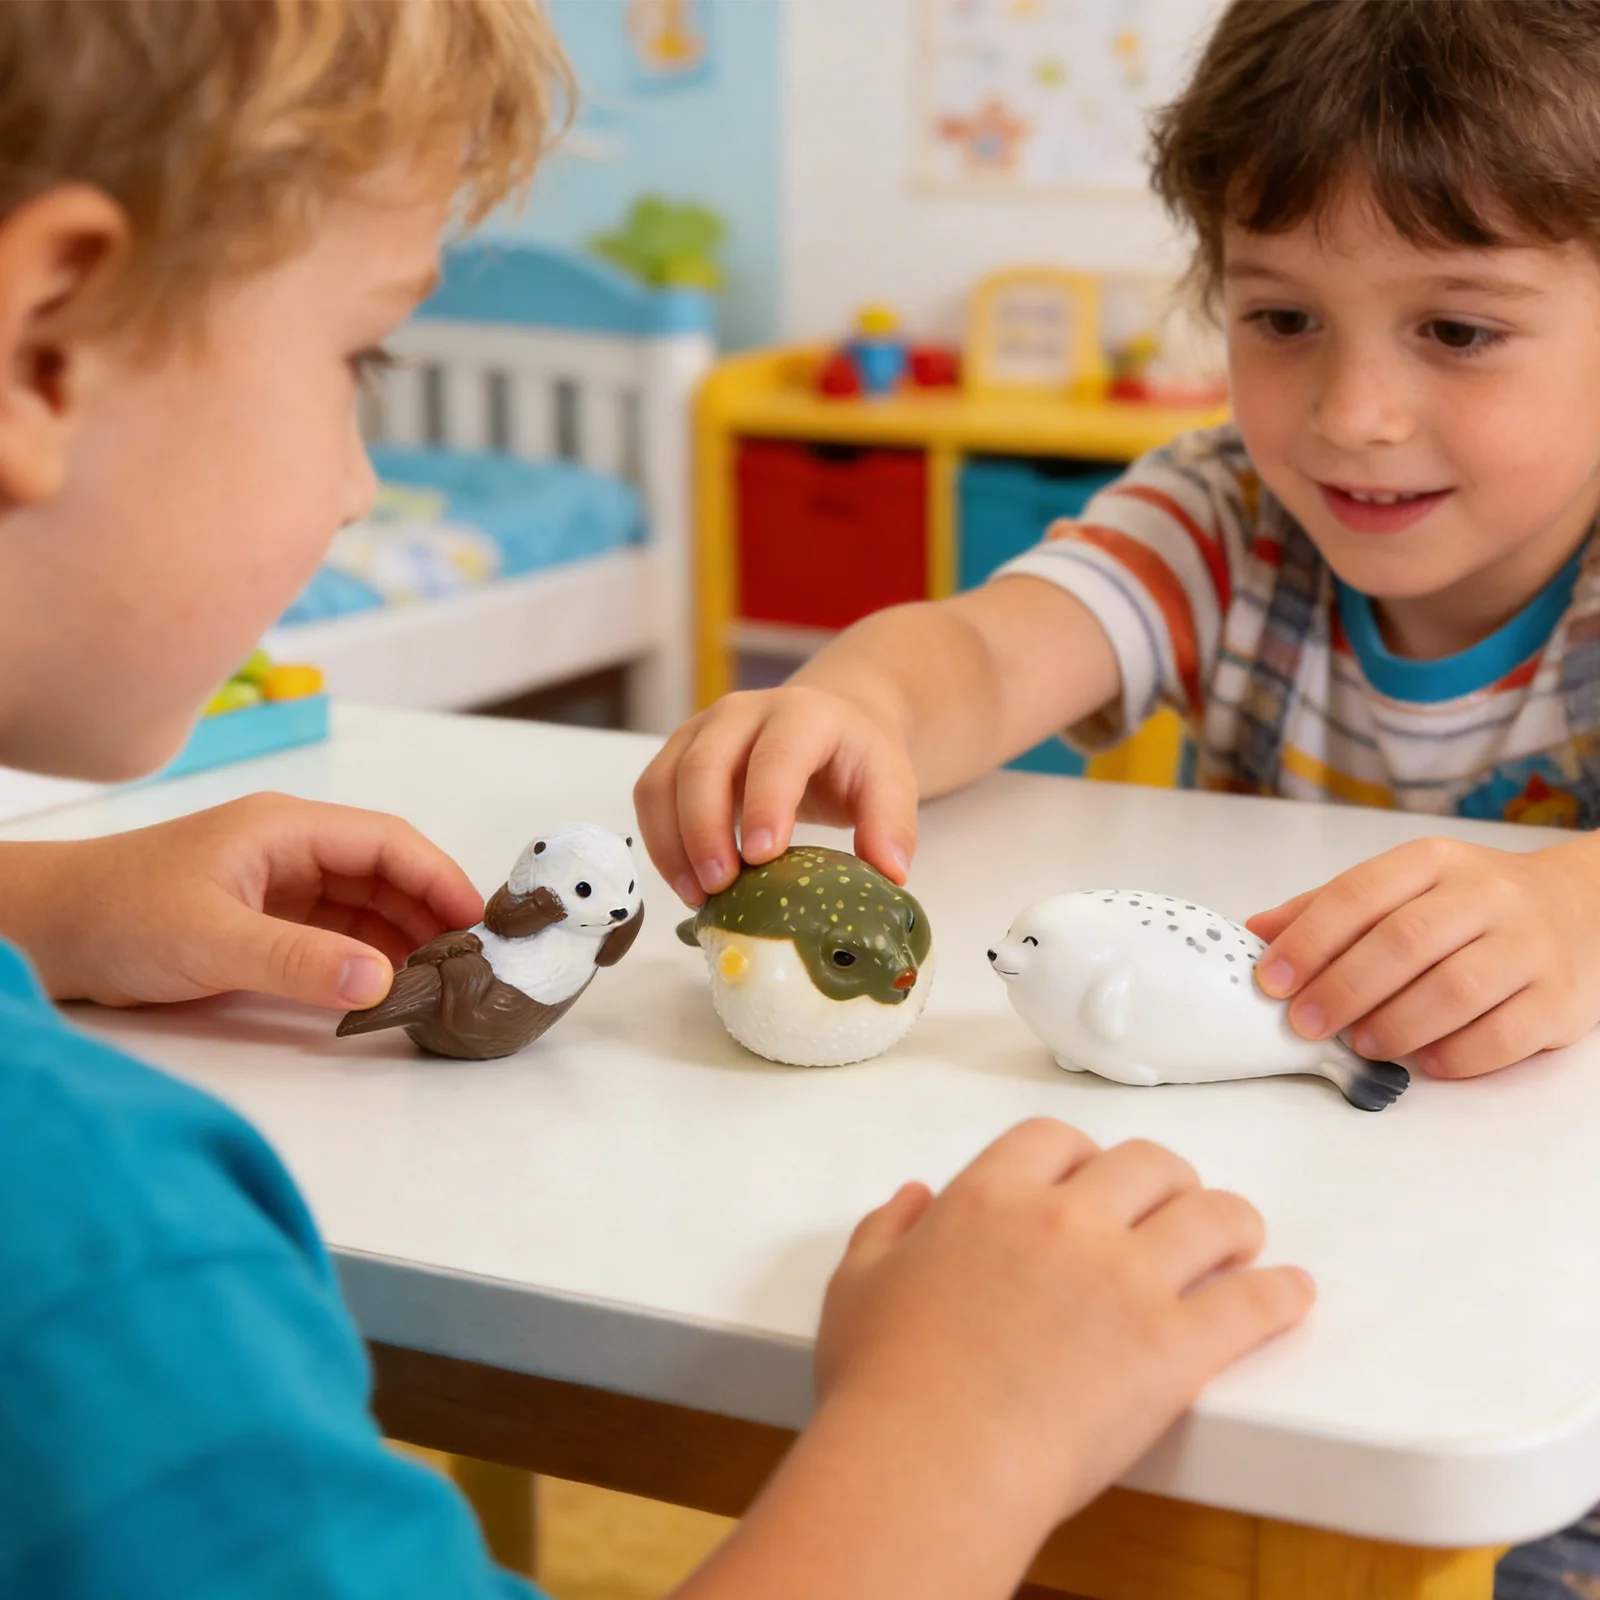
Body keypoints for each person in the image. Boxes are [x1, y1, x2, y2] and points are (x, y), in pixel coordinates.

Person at [0, 3, 1311, 1595]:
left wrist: (42, 902)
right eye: (363, 356)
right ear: (44, 344)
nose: (363, 480)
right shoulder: (93, 1243)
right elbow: (979, 647)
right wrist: (963, 1429)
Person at [636, 4, 1600, 1592]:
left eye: (1459, 330)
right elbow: (984, 653)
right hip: (1284, 1239)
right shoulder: (1226, 511)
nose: (1351, 412)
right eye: (1282, 316)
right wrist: (854, 703)